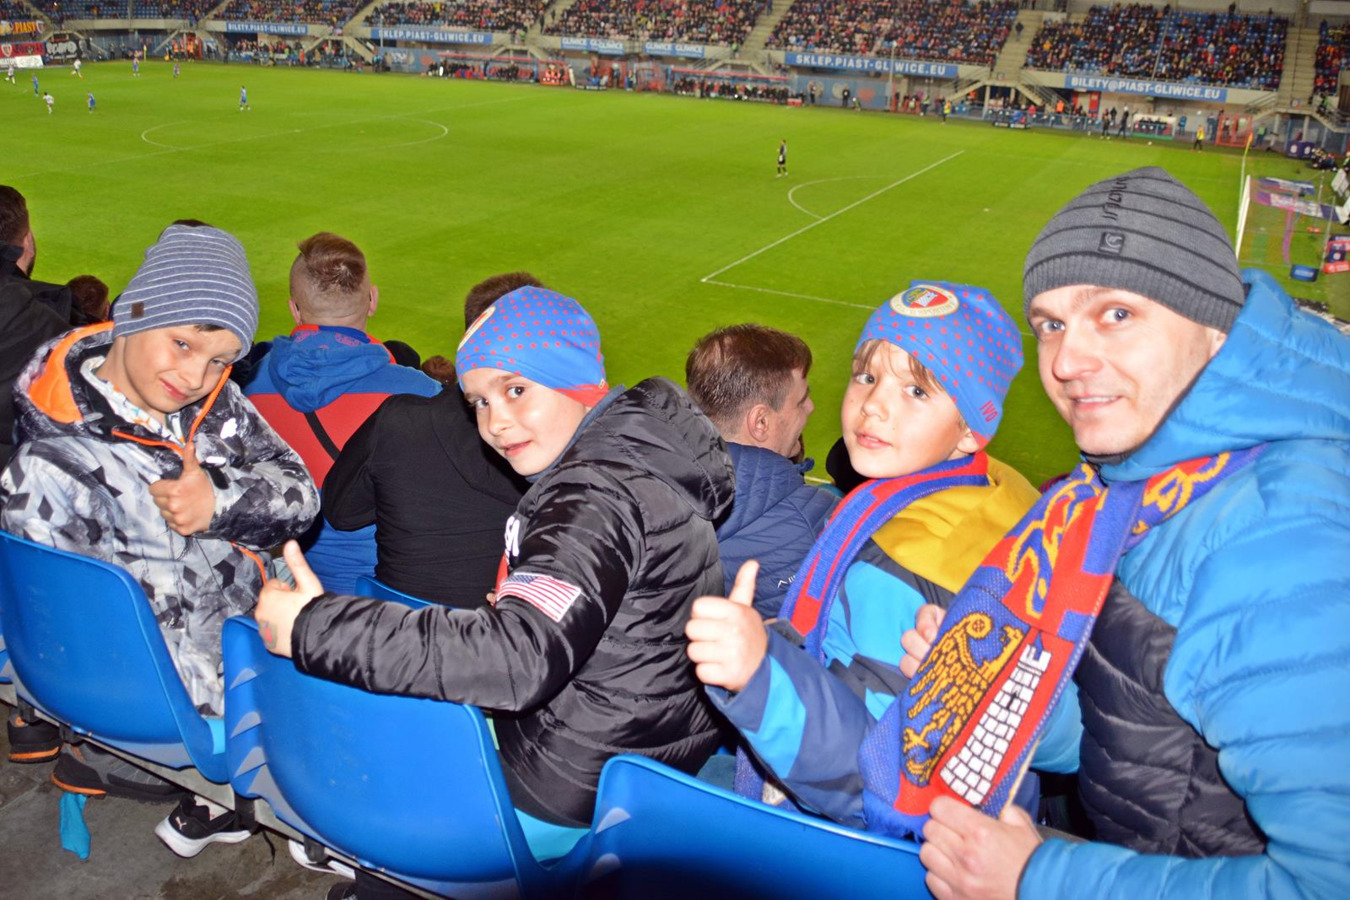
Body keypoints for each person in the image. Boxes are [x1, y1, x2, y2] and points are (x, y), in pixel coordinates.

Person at [902, 168, 1350, 900]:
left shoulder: (1283, 535)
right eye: (1051, 324)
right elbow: (1158, 744)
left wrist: (1040, 878)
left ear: (1213, 323)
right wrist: (1003, 700)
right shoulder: (1158, 481)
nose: (1066, 362)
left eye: (1115, 313)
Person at [254, 287, 732, 874]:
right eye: (479, 401)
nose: (495, 423)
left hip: (571, 782)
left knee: (352, 765)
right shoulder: (629, 454)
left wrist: (315, 625)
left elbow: (515, 662)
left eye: (515, 390)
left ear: (576, 379)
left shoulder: (593, 493)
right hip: (638, 746)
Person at [0, 223, 319, 854]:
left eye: (221, 360)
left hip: (251, 642)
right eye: (183, 343)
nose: (197, 374)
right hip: (205, 690)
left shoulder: (213, 402)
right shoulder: (49, 468)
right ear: (131, 314)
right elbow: (85, 635)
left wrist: (218, 501)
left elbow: (302, 495)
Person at [686, 281, 1037, 827]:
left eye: (916, 391)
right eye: (866, 377)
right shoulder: (994, 487)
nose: (873, 404)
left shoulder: (901, 566)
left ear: (971, 429)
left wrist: (759, 672)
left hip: (850, 837)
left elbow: (875, 780)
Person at [320, 271, 537, 607]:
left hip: (399, 625)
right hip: (499, 628)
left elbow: (342, 513)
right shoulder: (573, 447)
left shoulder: (396, 420)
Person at [244, 232, 440, 595]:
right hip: (390, 591)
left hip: (295, 582)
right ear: (372, 300)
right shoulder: (422, 395)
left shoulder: (250, 389)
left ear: (294, 309)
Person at [685, 323, 836, 617]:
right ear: (761, 423)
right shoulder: (817, 524)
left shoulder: (637, 482)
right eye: (801, 401)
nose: (811, 407)